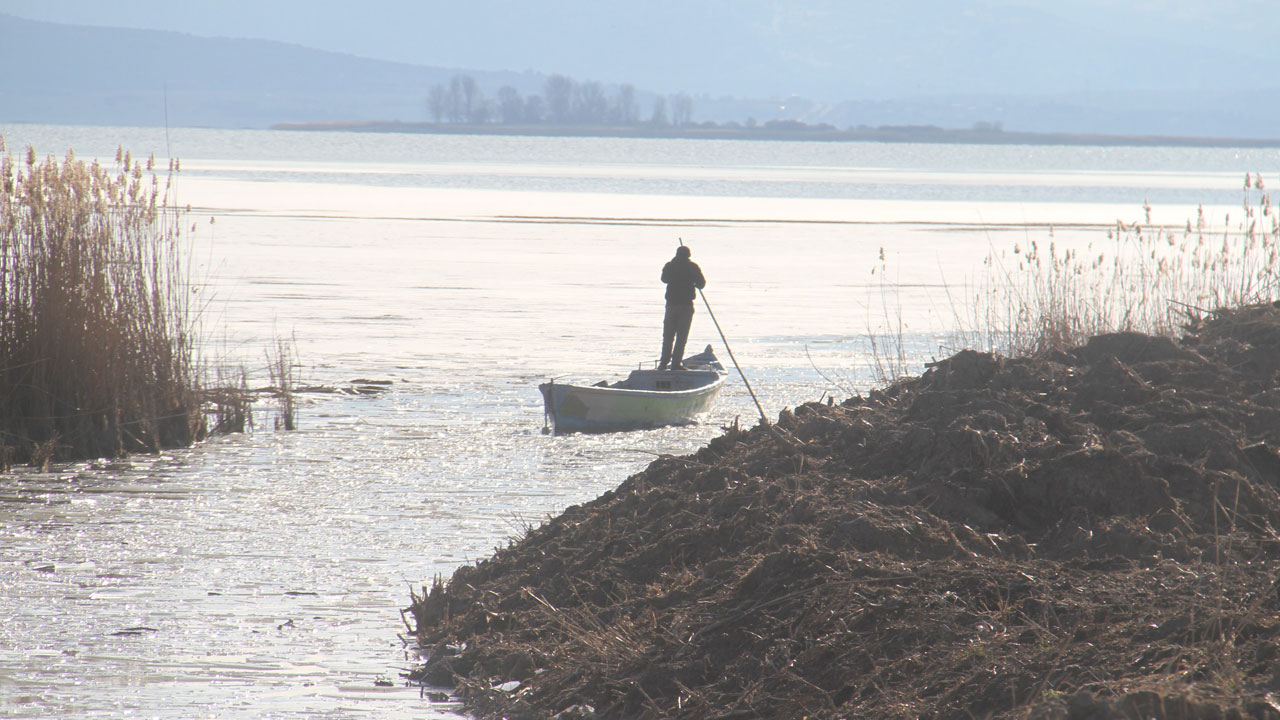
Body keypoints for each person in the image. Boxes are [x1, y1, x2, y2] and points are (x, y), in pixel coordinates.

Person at [658, 245, 706, 370]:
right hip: (686, 306)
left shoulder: (670, 265)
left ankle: (663, 363)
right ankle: (676, 363)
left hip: (671, 305)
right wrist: (692, 279)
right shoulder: (692, 267)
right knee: (681, 337)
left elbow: (664, 279)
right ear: (688, 255)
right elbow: (701, 284)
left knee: (668, 336)